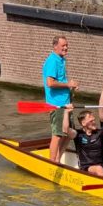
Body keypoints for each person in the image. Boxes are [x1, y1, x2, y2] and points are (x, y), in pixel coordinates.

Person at [42, 35, 78, 163]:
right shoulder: (52, 61)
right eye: (63, 46)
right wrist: (68, 84)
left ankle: (58, 158)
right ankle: (53, 162)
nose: (66, 48)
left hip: (66, 103)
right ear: (55, 46)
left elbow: (61, 81)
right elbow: (50, 83)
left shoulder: (61, 60)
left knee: (69, 133)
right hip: (57, 104)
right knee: (57, 134)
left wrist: (70, 88)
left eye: (67, 45)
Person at [59, 103, 103, 177]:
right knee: (99, 169)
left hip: (101, 165)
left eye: (94, 120)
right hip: (86, 167)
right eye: (91, 121)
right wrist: (66, 112)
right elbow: (65, 129)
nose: (94, 122)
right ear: (83, 123)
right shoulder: (78, 134)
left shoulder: (100, 132)